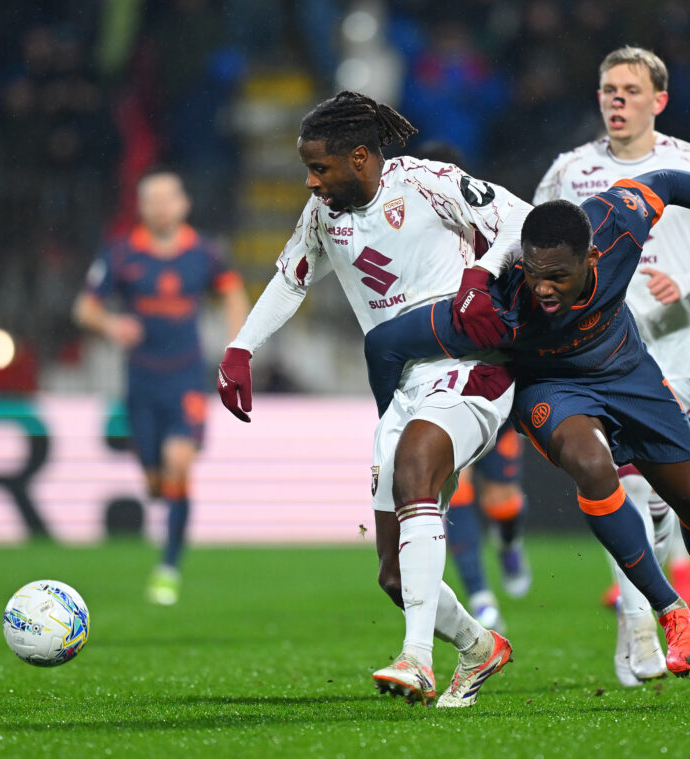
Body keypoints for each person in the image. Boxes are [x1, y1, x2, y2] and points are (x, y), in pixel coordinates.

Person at [364, 168, 690, 708]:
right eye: (533, 273)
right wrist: (390, 421)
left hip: (627, 373)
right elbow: (385, 343)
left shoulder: (615, 225)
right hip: (552, 391)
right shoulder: (495, 306)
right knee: (591, 466)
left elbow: (672, 183)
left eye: (557, 277)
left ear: (592, 260)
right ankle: (670, 610)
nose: (542, 287)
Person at [216, 91, 525, 707]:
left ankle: (417, 660)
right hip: (403, 384)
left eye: (320, 168)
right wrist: (241, 348)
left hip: (470, 367)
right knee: (393, 574)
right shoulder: (321, 213)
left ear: (360, 157)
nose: (310, 180)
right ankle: (478, 646)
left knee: (415, 473)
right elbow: (289, 278)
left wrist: (481, 274)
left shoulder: (430, 183)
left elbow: (525, 222)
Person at [534, 46, 690, 687]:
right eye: (607, 89)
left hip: (671, 359)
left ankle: (656, 616)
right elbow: (527, 244)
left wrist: (683, 281)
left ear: (660, 99)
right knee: (621, 489)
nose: (616, 99)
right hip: (589, 365)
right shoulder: (571, 172)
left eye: (630, 89)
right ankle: (644, 628)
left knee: (663, 499)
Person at [73, 168, 249, 606]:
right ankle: (164, 522)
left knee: (178, 463)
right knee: (155, 482)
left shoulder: (204, 253)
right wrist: (112, 323)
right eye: (152, 200)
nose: (161, 207)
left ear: (183, 204)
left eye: (168, 198)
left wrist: (237, 346)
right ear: (142, 207)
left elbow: (232, 293)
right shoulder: (121, 254)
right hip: (141, 381)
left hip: (186, 378)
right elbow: (84, 308)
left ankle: (169, 566)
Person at [413, 141, 531, 633]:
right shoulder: (414, 239)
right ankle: (481, 597)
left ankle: (508, 543)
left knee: (500, 495)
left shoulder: (494, 223)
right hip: (440, 377)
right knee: (450, 493)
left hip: (491, 375)